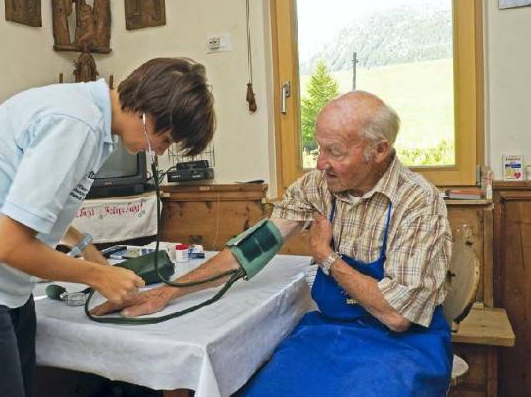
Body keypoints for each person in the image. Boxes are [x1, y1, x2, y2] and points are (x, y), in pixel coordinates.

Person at [92, 91, 452, 396]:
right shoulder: (319, 186)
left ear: (379, 150)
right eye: (318, 149)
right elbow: (253, 247)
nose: (321, 164)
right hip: (332, 334)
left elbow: (398, 315)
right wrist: (167, 293)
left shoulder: (417, 202)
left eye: (335, 152)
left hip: (402, 348)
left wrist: (327, 257)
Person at [0, 57, 215, 397]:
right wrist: (98, 277)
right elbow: (8, 246)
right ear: (145, 110)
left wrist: (89, 252)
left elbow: (36, 206)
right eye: (164, 139)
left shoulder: (92, 122)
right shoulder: (75, 125)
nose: (158, 151)